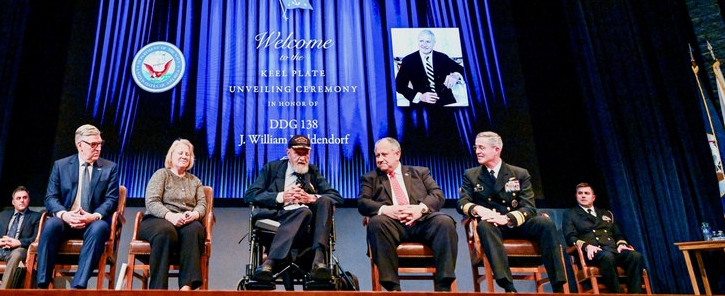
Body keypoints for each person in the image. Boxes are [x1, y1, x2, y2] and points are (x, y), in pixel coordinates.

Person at [457, 131, 566, 293]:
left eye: (481, 147)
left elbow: (529, 207)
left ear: (496, 149)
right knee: (484, 226)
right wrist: (478, 209)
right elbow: (462, 203)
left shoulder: (520, 174)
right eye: (476, 147)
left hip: (517, 223)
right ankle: (508, 286)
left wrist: (506, 218)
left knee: (545, 222)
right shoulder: (471, 175)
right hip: (493, 225)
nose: (477, 151)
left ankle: (558, 284)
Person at [358, 137, 458, 292]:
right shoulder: (370, 178)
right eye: (377, 156)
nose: (380, 159)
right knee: (376, 223)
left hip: (422, 222)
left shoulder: (420, 172)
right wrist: (386, 209)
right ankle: (393, 288)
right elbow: (363, 202)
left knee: (445, 221)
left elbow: (438, 195)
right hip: (393, 225)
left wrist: (421, 209)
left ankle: (444, 286)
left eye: (384, 154)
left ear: (397, 154)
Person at [243, 134, 344, 283]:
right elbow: (251, 194)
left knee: (323, 202)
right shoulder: (272, 168)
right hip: (279, 216)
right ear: (288, 152)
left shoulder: (313, 172)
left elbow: (336, 196)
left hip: (307, 222)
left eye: (306, 153)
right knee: (304, 211)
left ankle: (318, 261)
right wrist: (282, 196)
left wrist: (311, 198)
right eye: (298, 153)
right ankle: (271, 261)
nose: (302, 158)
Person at [37, 124, 120, 288]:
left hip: (92, 221)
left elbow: (111, 200)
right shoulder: (61, 165)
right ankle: (42, 284)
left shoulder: (109, 168)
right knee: (51, 224)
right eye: (93, 144)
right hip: (66, 220)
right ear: (80, 145)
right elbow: (51, 197)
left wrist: (94, 216)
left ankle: (78, 287)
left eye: (100, 144)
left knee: (100, 227)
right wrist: (63, 214)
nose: (98, 148)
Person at [138, 138, 208, 290]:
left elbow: (202, 204)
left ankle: (186, 287)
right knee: (166, 231)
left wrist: (194, 214)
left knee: (195, 229)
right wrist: (170, 216)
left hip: (185, 221)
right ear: (171, 155)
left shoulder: (195, 181)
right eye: (180, 153)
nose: (184, 156)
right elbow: (152, 202)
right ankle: (158, 290)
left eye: (187, 154)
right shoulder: (162, 174)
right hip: (157, 219)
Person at [563, 182, 646, 293]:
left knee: (635, 256)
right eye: (580, 193)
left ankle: (635, 294)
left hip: (612, 250)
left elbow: (617, 234)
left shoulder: (606, 213)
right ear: (576, 196)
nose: (583, 196)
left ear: (593, 197)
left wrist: (621, 244)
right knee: (607, 256)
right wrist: (587, 246)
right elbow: (570, 237)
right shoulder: (570, 214)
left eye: (586, 193)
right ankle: (616, 294)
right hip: (593, 253)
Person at [394, 29, 466, 107]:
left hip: (447, 102)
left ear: (434, 43)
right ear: (417, 41)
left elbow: (462, 69)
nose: (424, 45)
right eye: (421, 41)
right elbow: (399, 85)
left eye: (428, 42)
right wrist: (420, 96)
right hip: (421, 104)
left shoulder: (442, 57)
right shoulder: (408, 60)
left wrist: (456, 75)